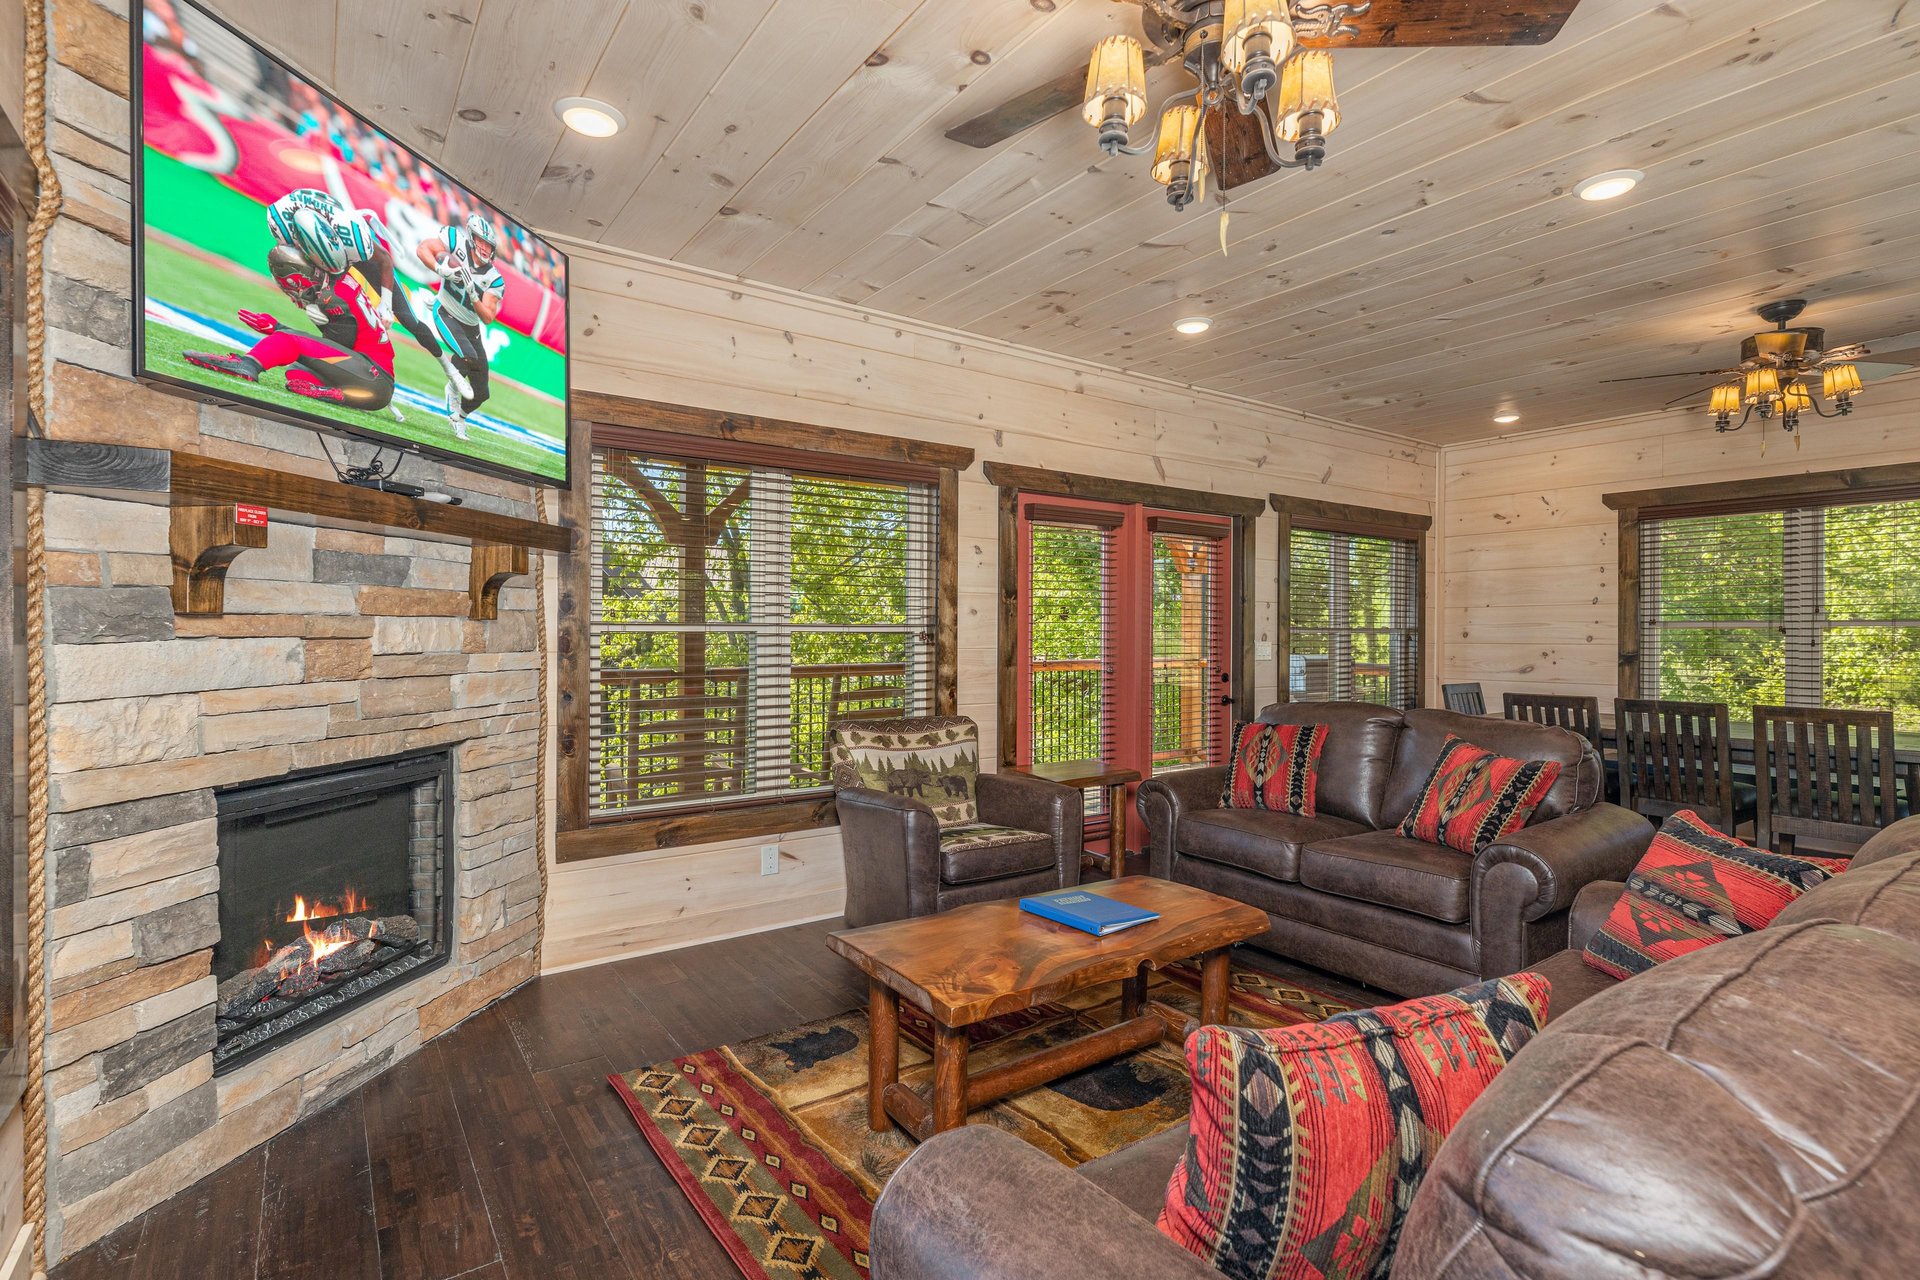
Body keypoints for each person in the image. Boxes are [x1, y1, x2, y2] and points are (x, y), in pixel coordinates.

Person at [265, 187, 471, 400]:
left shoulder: (350, 235)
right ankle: (343, 365)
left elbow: (384, 260)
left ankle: (450, 370)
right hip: (319, 240)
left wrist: (386, 305)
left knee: (408, 317)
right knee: (330, 311)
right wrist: (305, 301)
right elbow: (287, 266)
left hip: (340, 243)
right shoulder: (284, 227)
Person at [182, 246, 401, 416]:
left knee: (290, 341)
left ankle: (247, 365)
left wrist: (277, 329)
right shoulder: (341, 281)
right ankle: (336, 394)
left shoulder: (332, 297)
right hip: (371, 387)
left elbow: (339, 345)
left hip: (372, 378)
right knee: (296, 373)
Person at [415, 213, 506, 441]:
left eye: (489, 245)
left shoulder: (494, 278)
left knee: (482, 393)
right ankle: (452, 388)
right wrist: (440, 269)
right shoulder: (455, 241)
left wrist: (474, 295)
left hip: (471, 326)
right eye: (482, 241)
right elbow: (423, 249)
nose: (485, 248)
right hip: (445, 311)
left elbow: (487, 317)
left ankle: (459, 418)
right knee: (467, 355)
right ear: (472, 238)